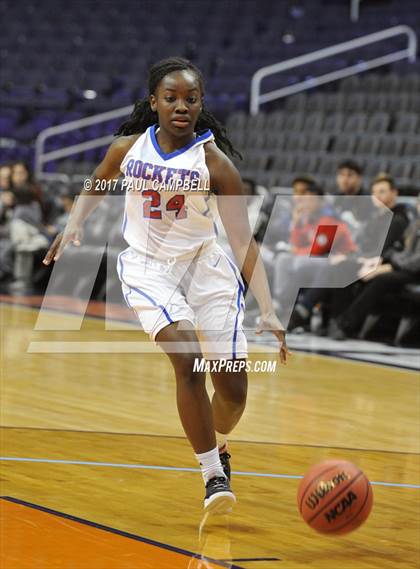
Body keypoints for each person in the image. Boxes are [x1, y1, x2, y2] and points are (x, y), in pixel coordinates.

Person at [43, 57, 290, 513]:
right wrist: (74, 221)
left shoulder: (217, 166)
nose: (182, 106)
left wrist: (269, 309)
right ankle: (213, 474)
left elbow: (242, 241)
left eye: (191, 99)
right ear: (154, 102)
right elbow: (96, 183)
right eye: (172, 97)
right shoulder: (127, 149)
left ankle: (220, 445)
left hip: (205, 268)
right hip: (147, 267)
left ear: (201, 105)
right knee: (188, 360)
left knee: (233, 393)